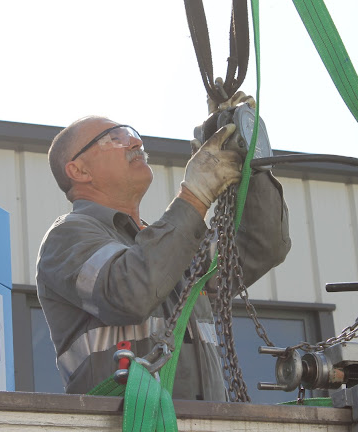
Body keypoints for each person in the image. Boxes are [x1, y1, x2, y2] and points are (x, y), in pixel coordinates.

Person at [36, 102, 291, 401]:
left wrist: (251, 156)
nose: (136, 142)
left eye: (131, 133)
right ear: (78, 170)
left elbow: (263, 245)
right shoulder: (66, 238)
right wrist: (195, 195)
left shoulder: (172, 246)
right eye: (115, 137)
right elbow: (131, 290)